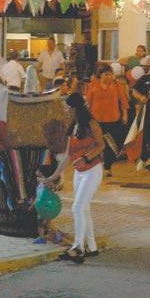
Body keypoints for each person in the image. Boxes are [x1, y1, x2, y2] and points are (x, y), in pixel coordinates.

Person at [42, 92, 105, 263]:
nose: (66, 110)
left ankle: (78, 248)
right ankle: (92, 247)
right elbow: (68, 156)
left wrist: (86, 157)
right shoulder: (73, 127)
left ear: (76, 108)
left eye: (68, 107)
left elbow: (101, 145)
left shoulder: (91, 123)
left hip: (93, 170)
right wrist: (54, 176)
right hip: (79, 173)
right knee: (84, 209)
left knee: (77, 207)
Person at [85, 64, 129, 177]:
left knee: (113, 144)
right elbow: (87, 103)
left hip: (113, 119)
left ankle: (107, 165)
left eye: (110, 74)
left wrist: (125, 115)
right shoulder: (92, 85)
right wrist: (86, 118)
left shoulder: (117, 85)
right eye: (106, 74)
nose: (109, 77)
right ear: (100, 75)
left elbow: (123, 101)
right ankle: (99, 167)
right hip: (97, 120)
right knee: (99, 144)